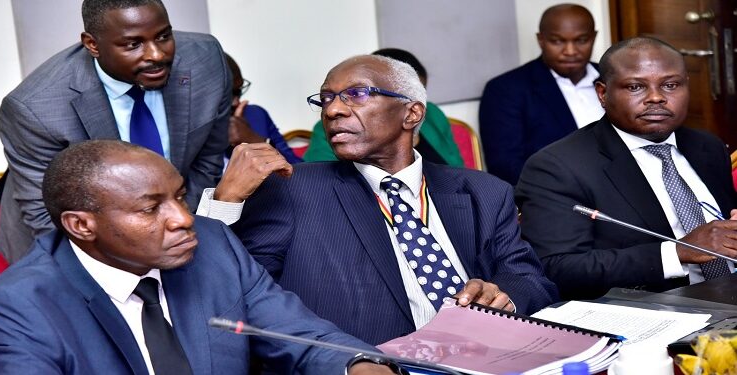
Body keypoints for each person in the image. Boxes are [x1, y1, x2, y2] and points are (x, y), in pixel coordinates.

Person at [0, 140, 398, 375]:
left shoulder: (213, 245)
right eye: (151, 209)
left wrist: (361, 365)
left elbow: (302, 337)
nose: (184, 219)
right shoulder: (19, 305)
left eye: (180, 196)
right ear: (81, 226)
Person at [231, 55, 558, 345]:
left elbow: (529, 279)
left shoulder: (484, 192)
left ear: (412, 113)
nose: (332, 110)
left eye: (356, 94)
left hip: (484, 354)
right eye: (326, 99)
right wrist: (224, 202)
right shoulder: (293, 189)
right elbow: (240, 290)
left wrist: (503, 297)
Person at [0, 0, 291, 264]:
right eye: (132, 44)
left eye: (164, 36)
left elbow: (207, 160)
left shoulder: (205, 60)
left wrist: (177, 235)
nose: (156, 54)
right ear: (92, 44)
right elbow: (49, 216)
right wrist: (139, 260)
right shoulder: (35, 108)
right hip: (72, 243)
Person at [516, 37, 737, 301]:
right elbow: (558, 268)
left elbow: (723, 231)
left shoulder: (707, 147)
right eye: (635, 87)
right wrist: (677, 252)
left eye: (670, 85)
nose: (656, 97)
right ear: (602, 93)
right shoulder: (557, 167)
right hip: (658, 309)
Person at [479, 3, 603, 185]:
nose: (570, 51)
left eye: (581, 40)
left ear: (593, 38)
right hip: (555, 197)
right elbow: (505, 166)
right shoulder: (506, 89)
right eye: (557, 41)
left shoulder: (614, 80)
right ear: (541, 40)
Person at [304, 48, 464, 168]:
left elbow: (459, 174)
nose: (332, 109)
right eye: (325, 98)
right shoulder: (337, 127)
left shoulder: (432, 114)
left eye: (419, 92)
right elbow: (319, 184)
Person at [223, 53, 303, 164]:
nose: (236, 102)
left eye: (238, 91)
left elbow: (300, 171)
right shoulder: (192, 129)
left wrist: (256, 142)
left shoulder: (255, 115)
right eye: (228, 94)